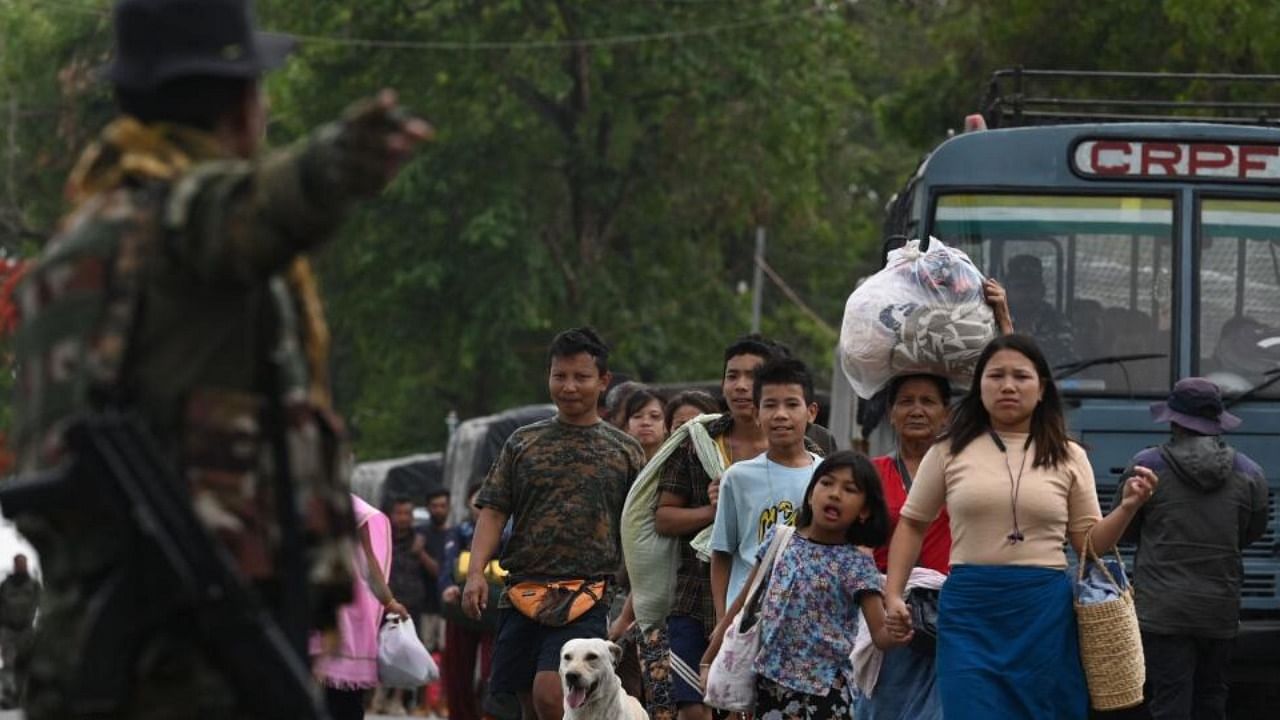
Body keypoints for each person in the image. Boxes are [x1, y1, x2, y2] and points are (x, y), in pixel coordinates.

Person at [6, 1, 430, 717]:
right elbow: (241, 209)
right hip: (190, 645)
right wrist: (334, 164)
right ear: (241, 103)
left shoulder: (74, 249)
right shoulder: (176, 220)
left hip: (99, 627)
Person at [883, 334, 1158, 720]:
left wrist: (1128, 508)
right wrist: (894, 594)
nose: (1008, 386)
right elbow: (912, 524)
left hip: (1043, 612)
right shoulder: (948, 451)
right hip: (969, 613)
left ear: (1042, 388)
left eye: (1020, 376)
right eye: (996, 376)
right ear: (979, 387)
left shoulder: (1069, 455)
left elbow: (1088, 545)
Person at [463, 327, 646, 720]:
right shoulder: (521, 443)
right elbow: (493, 510)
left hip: (586, 594)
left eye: (581, 377)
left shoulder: (624, 450)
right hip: (521, 591)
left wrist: (639, 594)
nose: (569, 386)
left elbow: (642, 526)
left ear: (603, 382)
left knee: (553, 694)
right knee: (527, 701)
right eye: (559, 376)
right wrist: (476, 572)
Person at [701, 451, 899, 718]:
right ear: (809, 494)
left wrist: (899, 628)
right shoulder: (779, 540)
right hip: (769, 686)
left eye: (849, 489)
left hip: (826, 694)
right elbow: (743, 604)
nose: (835, 494)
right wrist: (707, 660)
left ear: (864, 511)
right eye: (826, 483)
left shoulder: (857, 565)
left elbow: (880, 635)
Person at [653, 334, 789, 720]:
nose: (741, 386)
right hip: (695, 597)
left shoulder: (806, 450)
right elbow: (664, 518)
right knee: (694, 709)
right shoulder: (697, 441)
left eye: (753, 376)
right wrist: (716, 511)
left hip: (772, 602)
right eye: (732, 376)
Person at [1116, 378, 1268, 720]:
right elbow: (1250, 533)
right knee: (1213, 698)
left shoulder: (1146, 466)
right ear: (1217, 423)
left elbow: (1125, 529)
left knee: (1170, 698)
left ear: (1173, 421)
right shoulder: (1251, 473)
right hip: (1220, 609)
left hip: (1162, 610)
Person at [710, 357, 824, 616]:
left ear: (811, 412)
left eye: (792, 404)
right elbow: (721, 553)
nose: (781, 414)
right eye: (770, 405)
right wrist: (722, 618)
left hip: (806, 616)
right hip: (748, 617)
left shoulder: (826, 476)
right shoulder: (738, 477)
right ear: (757, 414)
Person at [312, 494, 410, 720]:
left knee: (338, 699)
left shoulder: (351, 507)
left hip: (342, 613)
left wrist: (389, 602)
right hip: (318, 610)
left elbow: (368, 561)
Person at [440, 485, 504, 720]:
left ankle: (489, 713)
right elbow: (447, 564)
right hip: (461, 607)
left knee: (494, 669)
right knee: (458, 668)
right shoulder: (459, 532)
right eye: (476, 501)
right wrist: (447, 586)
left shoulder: (507, 532)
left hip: (496, 609)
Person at [1003, 254, 1074, 363]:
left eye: (1032, 287)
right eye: (1019, 287)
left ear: (1042, 290)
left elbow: (1065, 355)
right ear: (1007, 291)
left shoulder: (1057, 321)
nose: (1026, 293)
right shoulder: (993, 321)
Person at [0, 554, 39, 709]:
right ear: (15, 565)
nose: (22, 566)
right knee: (8, 664)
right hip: (7, 630)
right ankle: (8, 695)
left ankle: (22, 696)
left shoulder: (34, 584)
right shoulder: (6, 585)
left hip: (26, 630)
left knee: (24, 663)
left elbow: (39, 601)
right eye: (19, 564)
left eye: (24, 563)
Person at [624, 386, 669, 461]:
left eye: (654, 416)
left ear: (667, 424)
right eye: (637, 416)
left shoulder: (681, 463)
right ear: (627, 425)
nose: (645, 422)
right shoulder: (615, 463)